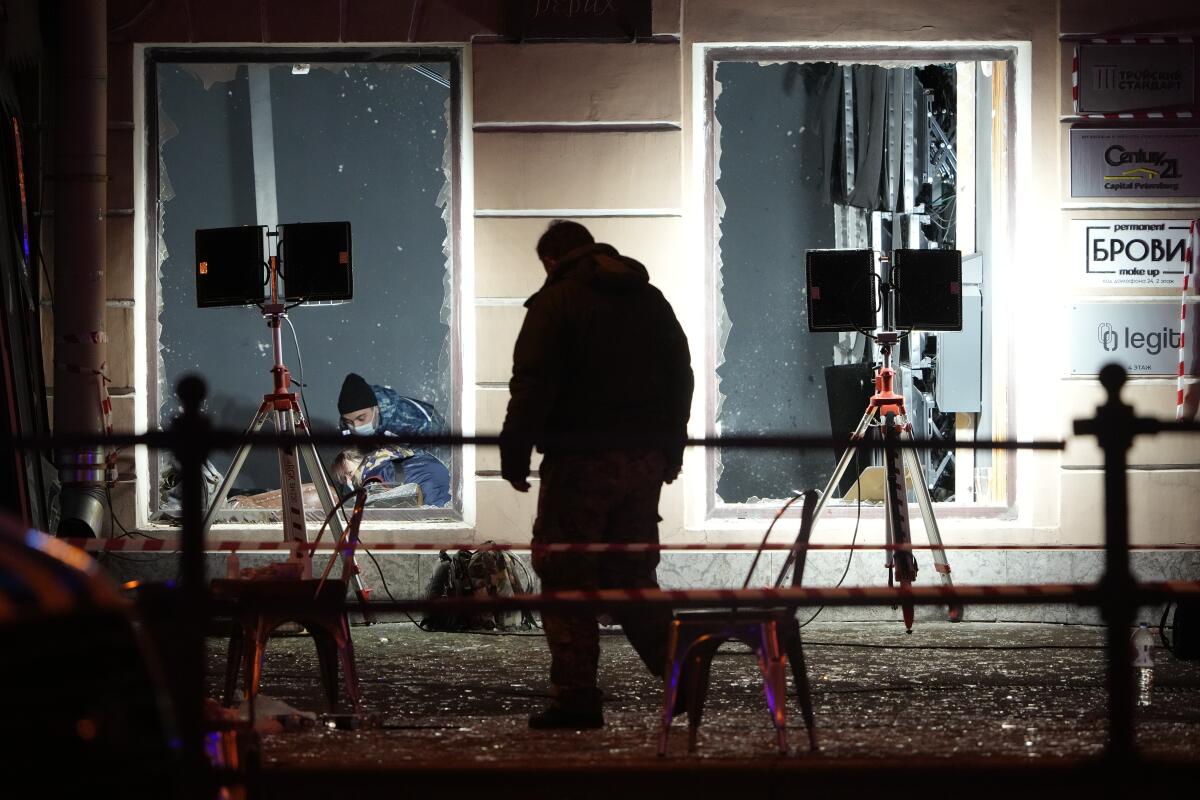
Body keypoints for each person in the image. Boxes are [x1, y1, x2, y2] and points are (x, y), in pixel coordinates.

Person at [500, 220, 694, 729]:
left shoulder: (557, 303)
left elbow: (533, 385)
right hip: (642, 462)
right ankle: (682, 670)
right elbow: (681, 378)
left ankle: (575, 698)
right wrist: (669, 449)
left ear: (551, 259)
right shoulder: (649, 299)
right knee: (629, 573)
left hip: (580, 462)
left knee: (566, 575)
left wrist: (515, 453)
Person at [336, 373, 452, 505]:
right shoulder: (346, 425)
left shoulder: (413, 420)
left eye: (361, 418)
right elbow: (351, 458)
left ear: (376, 409)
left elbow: (441, 462)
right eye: (349, 421)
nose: (356, 426)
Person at [331, 445, 451, 507]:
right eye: (343, 479)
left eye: (349, 473)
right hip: (449, 491)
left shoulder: (372, 477)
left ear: (360, 459)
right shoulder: (390, 456)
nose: (348, 481)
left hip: (434, 503)